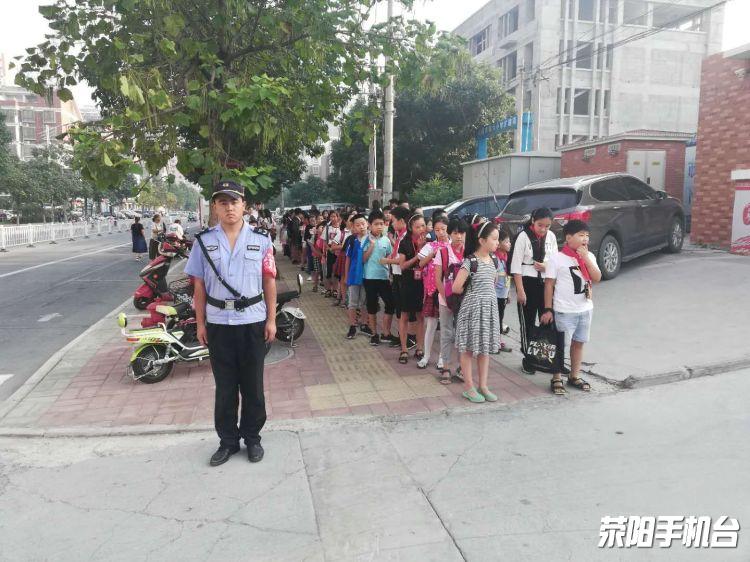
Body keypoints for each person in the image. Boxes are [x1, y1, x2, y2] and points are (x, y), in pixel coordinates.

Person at [184, 180, 277, 466]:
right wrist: (200, 324)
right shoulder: (203, 242)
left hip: (252, 321)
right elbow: (199, 286)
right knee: (225, 388)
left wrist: (272, 319)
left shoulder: (262, 240)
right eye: (222, 202)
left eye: (234, 202)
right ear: (215, 207)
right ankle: (227, 441)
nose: (229, 208)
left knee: (253, 386)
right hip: (219, 323)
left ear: (244, 205)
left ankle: (252, 438)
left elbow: (269, 281)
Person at [541, 220, 602, 395]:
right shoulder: (557, 258)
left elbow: (597, 278)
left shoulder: (589, 256)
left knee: (578, 343)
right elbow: (549, 284)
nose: (585, 239)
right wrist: (548, 309)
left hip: (585, 308)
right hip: (564, 310)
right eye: (581, 235)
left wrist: (586, 259)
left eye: (587, 235)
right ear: (568, 238)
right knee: (560, 345)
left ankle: (574, 375)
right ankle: (556, 377)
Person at [452, 221, 501, 403]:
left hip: (488, 309)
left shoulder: (495, 260)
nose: (497, 242)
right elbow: (456, 287)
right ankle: (469, 388)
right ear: (482, 240)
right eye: (494, 239)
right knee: (468, 349)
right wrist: (474, 293)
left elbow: (493, 283)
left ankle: (483, 386)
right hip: (472, 309)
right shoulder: (470, 262)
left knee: (484, 349)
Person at [510, 207, 558, 374]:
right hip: (527, 282)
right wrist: (520, 290)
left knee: (547, 321)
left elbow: (555, 261)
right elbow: (516, 266)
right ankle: (528, 359)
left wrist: (546, 267)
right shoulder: (522, 237)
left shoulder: (551, 237)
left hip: (546, 283)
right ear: (533, 221)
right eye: (540, 225)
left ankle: (543, 359)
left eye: (547, 226)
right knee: (528, 323)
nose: (543, 229)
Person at [433, 218, 467, 384]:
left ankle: (462, 367)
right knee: (447, 333)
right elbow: (438, 279)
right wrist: (446, 299)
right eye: (455, 233)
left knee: (462, 333)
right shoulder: (442, 252)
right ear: (450, 234)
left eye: (462, 233)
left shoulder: (469, 253)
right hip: (445, 300)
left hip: (465, 301)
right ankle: (446, 367)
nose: (459, 236)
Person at [416, 215, 450, 369]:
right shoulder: (430, 246)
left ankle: (442, 358)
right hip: (432, 290)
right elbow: (421, 263)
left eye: (443, 229)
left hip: (447, 290)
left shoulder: (452, 246)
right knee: (430, 324)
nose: (440, 232)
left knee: (445, 326)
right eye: (437, 230)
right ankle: (426, 356)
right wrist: (433, 253)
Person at [396, 213, 427, 364]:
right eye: (417, 226)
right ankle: (404, 349)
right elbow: (402, 266)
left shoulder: (429, 241)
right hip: (408, 281)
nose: (421, 229)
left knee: (421, 316)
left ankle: (419, 348)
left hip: (422, 282)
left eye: (423, 225)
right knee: (405, 316)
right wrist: (418, 254)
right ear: (410, 227)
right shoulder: (405, 242)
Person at [361, 210, 395, 346]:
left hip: (384, 277)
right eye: (376, 224)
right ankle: (374, 334)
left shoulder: (386, 240)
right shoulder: (365, 239)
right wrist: (372, 246)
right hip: (369, 278)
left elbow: (390, 257)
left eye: (381, 224)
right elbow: (363, 259)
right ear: (370, 225)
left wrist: (390, 272)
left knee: (390, 304)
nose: (379, 226)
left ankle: (386, 333)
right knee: (372, 306)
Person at [381, 206, 410, 348]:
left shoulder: (406, 237)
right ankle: (402, 336)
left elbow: (402, 260)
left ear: (402, 221)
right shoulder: (400, 235)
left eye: (393, 220)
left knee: (404, 310)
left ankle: (408, 338)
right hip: (397, 275)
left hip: (404, 276)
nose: (391, 224)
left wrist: (387, 261)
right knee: (400, 309)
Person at [344, 214, 369, 339]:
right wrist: (346, 276)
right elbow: (347, 260)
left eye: (363, 224)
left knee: (365, 302)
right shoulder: (352, 241)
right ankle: (352, 326)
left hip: (367, 276)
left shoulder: (371, 240)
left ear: (367, 224)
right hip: (354, 276)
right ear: (353, 227)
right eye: (358, 225)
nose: (361, 227)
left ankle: (364, 324)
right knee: (352, 303)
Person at [494, 226, 513, 353]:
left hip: (503, 294)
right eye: (506, 241)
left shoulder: (506, 257)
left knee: (500, 317)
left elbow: (507, 276)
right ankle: (494, 343)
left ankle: (498, 341)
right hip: (494, 294)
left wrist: (508, 293)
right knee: (495, 318)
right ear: (499, 243)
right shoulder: (494, 258)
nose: (509, 244)